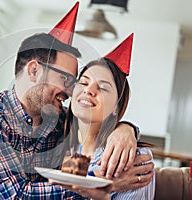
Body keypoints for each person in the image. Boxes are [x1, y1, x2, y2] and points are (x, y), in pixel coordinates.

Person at [0, 3, 153, 199]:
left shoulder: (57, 120)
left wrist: (126, 130)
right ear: (34, 70)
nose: (72, 90)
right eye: (66, 79)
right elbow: (19, 195)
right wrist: (102, 184)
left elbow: (93, 119)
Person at [59, 33, 155, 199]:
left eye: (102, 88)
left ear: (116, 107)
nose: (89, 90)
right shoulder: (62, 144)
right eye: (83, 82)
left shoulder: (133, 157)